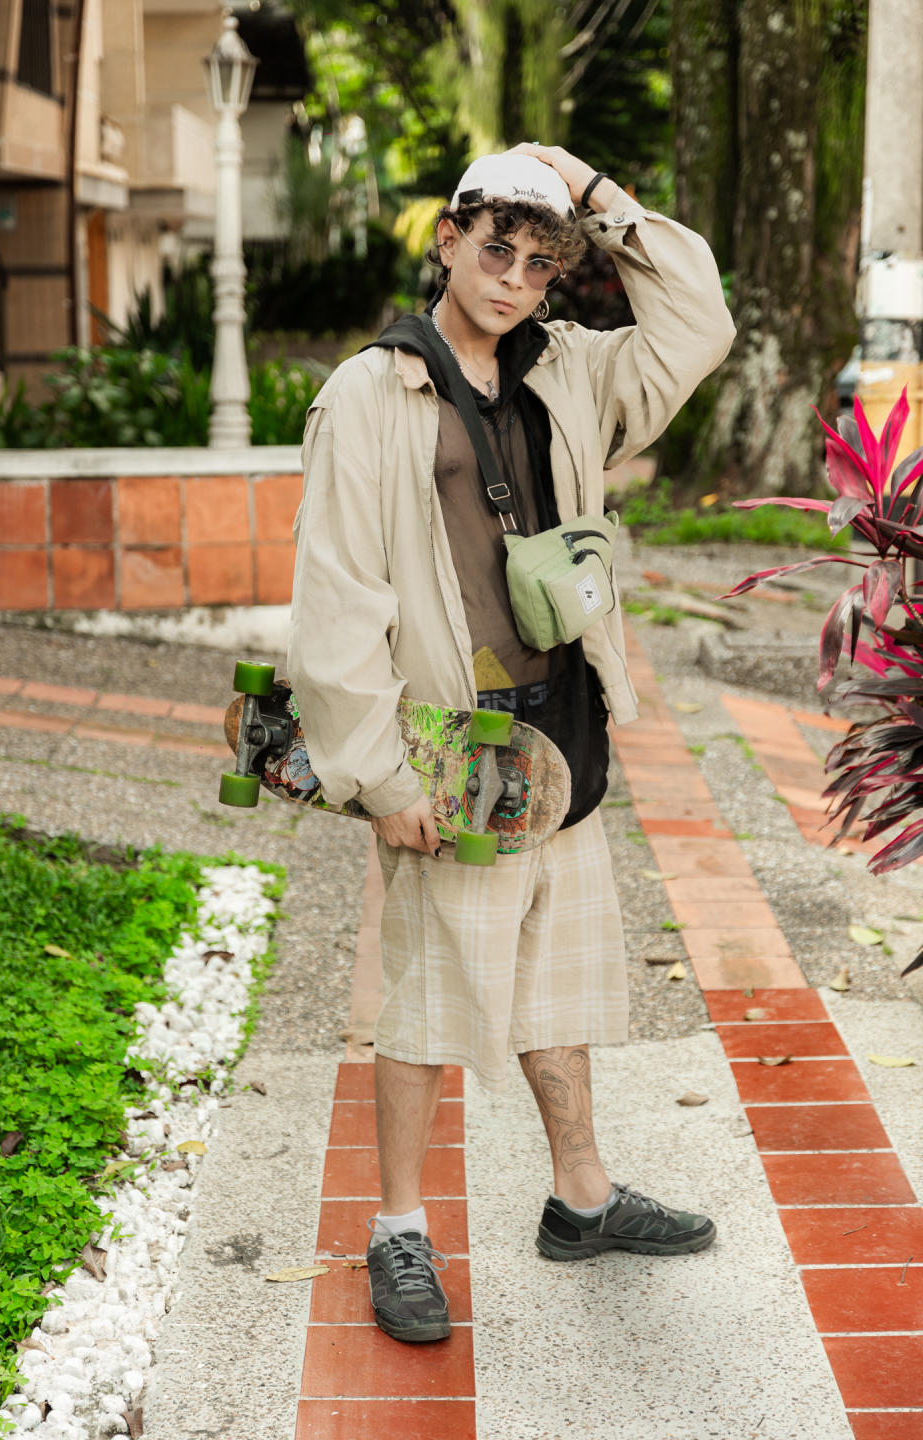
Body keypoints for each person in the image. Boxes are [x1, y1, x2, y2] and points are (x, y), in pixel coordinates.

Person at [288, 144, 736, 1344]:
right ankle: (398, 1228)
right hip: (450, 743)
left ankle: (580, 1198)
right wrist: (378, 773)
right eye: (498, 249)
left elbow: (701, 322)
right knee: (432, 1000)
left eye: (542, 263)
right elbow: (336, 599)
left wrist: (596, 195)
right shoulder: (369, 395)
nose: (516, 278)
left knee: (559, 982)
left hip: (561, 731)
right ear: (448, 240)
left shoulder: (572, 369)